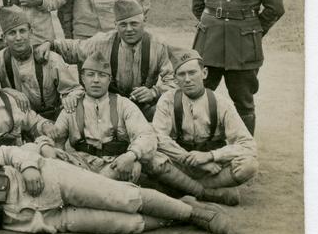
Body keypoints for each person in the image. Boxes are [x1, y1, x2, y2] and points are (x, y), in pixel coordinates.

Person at [0, 132, 231, 234]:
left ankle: (195, 214)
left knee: (124, 198)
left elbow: (12, 149)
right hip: (43, 220)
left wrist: (30, 166)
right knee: (129, 224)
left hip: (50, 181)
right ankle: (179, 213)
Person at [44, 52, 240, 206]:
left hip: (116, 165)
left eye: (102, 76)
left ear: (109, 79)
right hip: (83, 164)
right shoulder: (71, 107)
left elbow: (146, 136)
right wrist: (51, 143)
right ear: (82, 78)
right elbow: (55, 136)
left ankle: (200, 193)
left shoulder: (123, 105)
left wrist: (131, 155)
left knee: (145, 162)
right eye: (90, 75)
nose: (96, 80)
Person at [191, 0, 285, 134]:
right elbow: (196, 6)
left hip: (243, 47)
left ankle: (243, 149)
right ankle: (200, 143)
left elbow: (275, 8)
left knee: (243, 101)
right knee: (198, 94)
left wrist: (253, 30)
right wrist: (213, 23)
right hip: (208, 44)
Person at [36, 0, 175, 120]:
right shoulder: (102, 42)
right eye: (123, 25)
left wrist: (154, 92)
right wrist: (51, 44)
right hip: (108, 107)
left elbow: (175, 81)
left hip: (144, 107)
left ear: (143, 21)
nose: (129, 29)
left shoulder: (158, 46)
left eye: (134, 24)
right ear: (115, 25)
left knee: (170, 110)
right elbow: (74, 49)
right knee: (75, 113)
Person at [152, 48, 258, 195]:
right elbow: (158, 138)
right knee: (150, 158)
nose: (187, 79)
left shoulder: (221, 103)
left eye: (192, 72)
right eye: (182, 74)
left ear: (204, 73)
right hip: (180, 162)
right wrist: (190, 160)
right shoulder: (167, 100)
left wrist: (210, 157)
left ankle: (182, 188)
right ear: (175, 79)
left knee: (249, 165)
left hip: (213, 165)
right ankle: (209, 193)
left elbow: (247, 144)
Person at [0, 6, 81, 121]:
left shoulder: (51, 59)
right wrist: (9, 92)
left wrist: (70, 98)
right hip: (18, 120)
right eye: (12, 33)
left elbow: (74, 90)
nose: (18, 37)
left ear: (31, 32)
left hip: (51, 120)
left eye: (22, 31)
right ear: (4, 38)